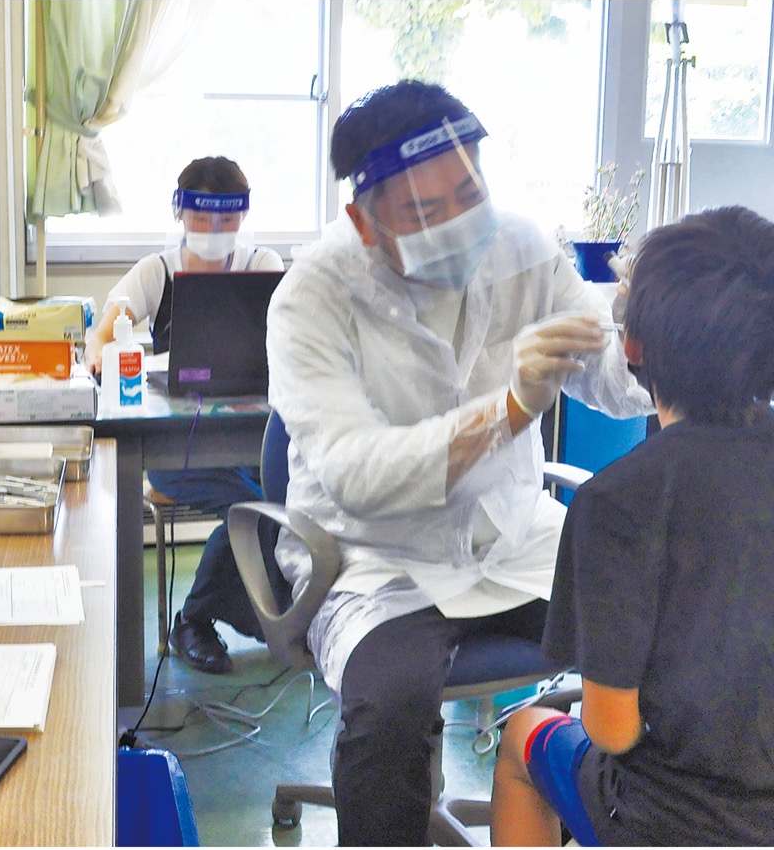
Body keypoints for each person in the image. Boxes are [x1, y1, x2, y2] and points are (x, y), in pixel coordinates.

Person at [264, 80, 652, 845]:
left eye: (468, 194)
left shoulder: (523, 251)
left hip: (514, 535)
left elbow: (609, 375)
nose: (457, 224)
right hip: (377, 559)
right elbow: (356, 475)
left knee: (661, 633)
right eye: (423, 211)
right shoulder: (311, 298)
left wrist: (649, 333)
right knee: (387, 711)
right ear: (363, 220)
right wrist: (507, 410)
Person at [490, 206, 774, 846]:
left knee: (521, 737)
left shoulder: (618, 501)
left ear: (634, 348)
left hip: (676, 819)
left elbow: (612, 730)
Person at [86, 156, 284, 674]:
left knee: (280, 503)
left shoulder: (261, 265)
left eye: (227, 218)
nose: (214, 230)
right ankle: (196, 620)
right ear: (179, 212)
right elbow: (101, 337)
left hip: (253, 437)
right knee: (258, 510)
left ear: (243, 215)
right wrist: (108, 353)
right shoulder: (157, 271)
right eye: (201, 217)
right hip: (178, 447)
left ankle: (239, 616)